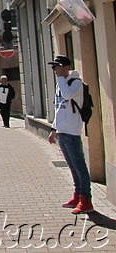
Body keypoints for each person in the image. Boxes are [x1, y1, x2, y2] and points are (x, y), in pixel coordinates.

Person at [48, 55, 93, 214]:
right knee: (72, 166)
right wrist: (54, 129)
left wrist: (61, 78)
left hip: (73, 130)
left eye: (57, 67)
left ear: (66, 67)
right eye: (53, 68)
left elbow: (67, 96)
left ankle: (86, 199)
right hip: (62, 130)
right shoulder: (62, 84)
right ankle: (77, 195)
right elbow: (59, 107)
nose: (55, 70)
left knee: (79, 166)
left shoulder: (76, 83)